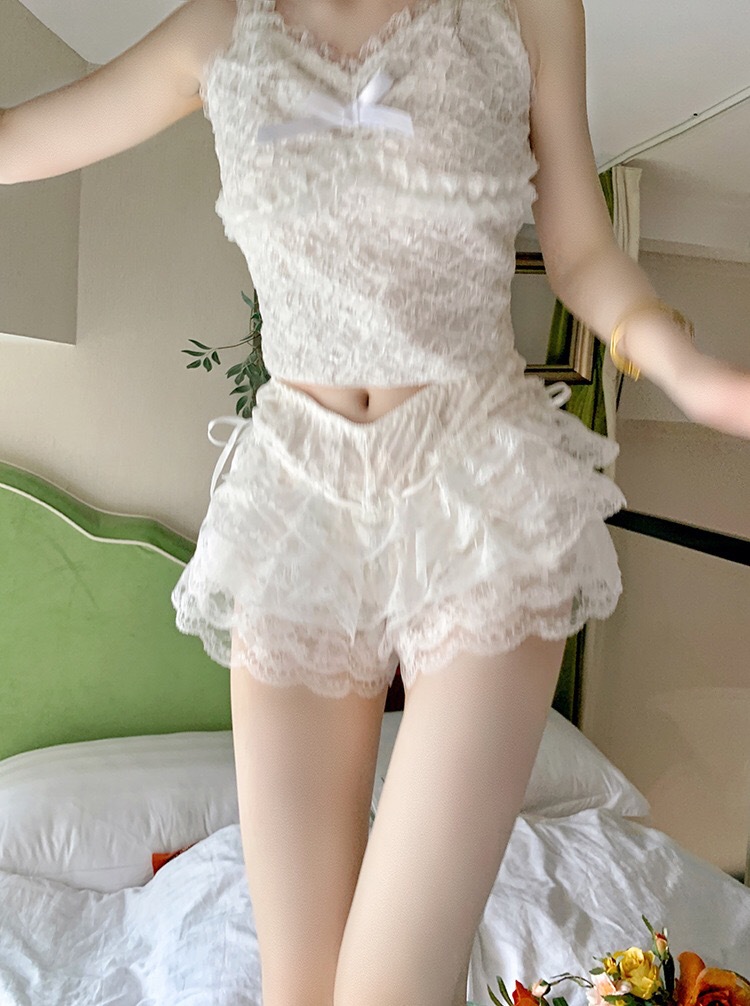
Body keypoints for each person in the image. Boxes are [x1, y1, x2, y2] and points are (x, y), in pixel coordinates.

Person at [2, 1, 749, 1004]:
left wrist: (693, 372)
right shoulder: (222, 26)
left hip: (477, 482)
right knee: (300, 986)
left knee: (389, 988)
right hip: (298, 501)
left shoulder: (527, 12)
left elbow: (579, 253)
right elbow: (16, 141)